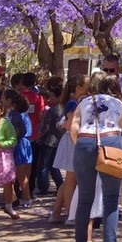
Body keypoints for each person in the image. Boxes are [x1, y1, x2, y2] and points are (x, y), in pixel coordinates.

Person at [69, 73, 122, 242]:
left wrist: (80, 147)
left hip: (84, 141)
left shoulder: (84, 102)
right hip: (111, 140)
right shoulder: (119, 103)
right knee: (111, 198)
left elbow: (73, 127)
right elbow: (121, 126)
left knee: (85, 198)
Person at [51, 75, 87, 224]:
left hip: (71, 140)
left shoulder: (73, 102)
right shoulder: (73, 103)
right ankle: (70, 214)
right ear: (78, 88)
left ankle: (56, 213)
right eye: (86, 85)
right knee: (71, 180)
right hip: (72, 141)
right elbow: (70, 124)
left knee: (68, 181)